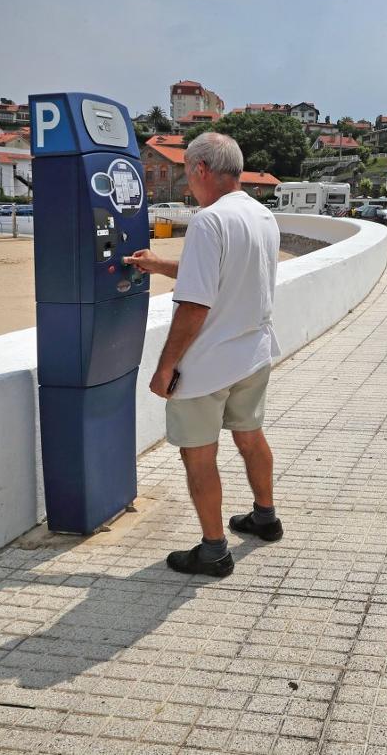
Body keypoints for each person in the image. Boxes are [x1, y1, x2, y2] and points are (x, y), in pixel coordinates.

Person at [124, 132, 282, 577]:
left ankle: (214, 550)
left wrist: (165, 365)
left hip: (210, 362)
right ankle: (265, 519)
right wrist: (159, 265)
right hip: (254, 352)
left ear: (200, 169)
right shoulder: (262, 215)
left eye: (188, 174)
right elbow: (227, 274)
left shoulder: (209, 221)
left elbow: (196, 303)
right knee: (250, 436)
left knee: (198, 454)